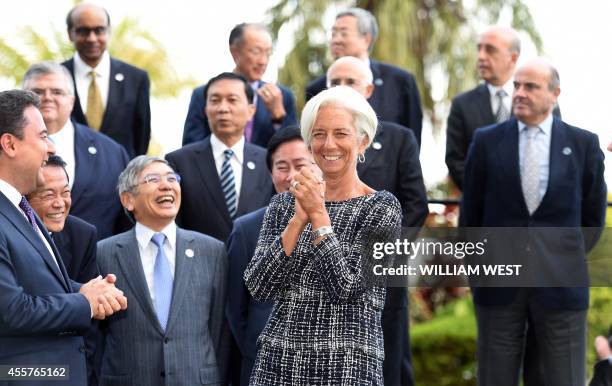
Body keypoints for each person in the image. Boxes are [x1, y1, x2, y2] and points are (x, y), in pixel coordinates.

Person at [461, 59, 607, 386]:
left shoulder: (584, 144)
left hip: (561, 286)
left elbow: (592, 219)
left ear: (554, 94)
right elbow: (470, 216)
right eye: (516, 86)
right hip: (498, 286)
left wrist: (563, 255)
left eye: (531, 87)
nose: (519, 93)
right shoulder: (485, 141)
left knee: (563, 379)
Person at [245, 86, 402, 384]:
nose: (328, 144)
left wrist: (317, 215)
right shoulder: (283, 204)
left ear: (363, 141)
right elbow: (258, 286)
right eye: (318, 134)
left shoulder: (382, 207)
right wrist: (298, 218)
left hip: (349, 366)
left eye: (341, 133)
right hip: (278, 363)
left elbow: (349, 288)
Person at [0, 89, 127, 386]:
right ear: (9, 144)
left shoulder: (19, 209)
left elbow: (34, 280)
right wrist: (85, 303)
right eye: (43, 136)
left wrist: (91, 290)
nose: (50, 148)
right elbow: (11, 310)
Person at [326, 55, 428, 385]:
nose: (341, 89)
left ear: (368, 89)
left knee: (386, 364)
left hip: (382, 273)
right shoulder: (314, 141)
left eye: (350, 82)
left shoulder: (399, 139)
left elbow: (415, 205)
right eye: (334, 82)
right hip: (326, 268)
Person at [96, 155, 230, 386]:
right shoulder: (104, 253)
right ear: (128, 199)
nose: (166, 185)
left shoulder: (212, 251)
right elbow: (95, 336)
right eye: (153, 179)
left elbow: (219, 330)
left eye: (172, 178)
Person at [226, 125, 316, 384]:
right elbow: (235, 307)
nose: (291, 176)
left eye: (301, 165)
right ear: (270, 172)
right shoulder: (247, 229)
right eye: (281, 167)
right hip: (264, 365)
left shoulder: (342, 221)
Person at [23, 61, 129, 240]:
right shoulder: (7, 149)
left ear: (71, 101)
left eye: (57, 92)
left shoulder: (113, 153)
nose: (47, 98)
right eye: (37, 92)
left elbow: (124, 220)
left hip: (96, 262)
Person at [166, 72, 273, 242]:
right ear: (206, 110)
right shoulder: (179, 162)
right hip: (200, 264)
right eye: (215, 101)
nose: (223, 108)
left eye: (232, 100)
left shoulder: (268, 161)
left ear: (251, 111)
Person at [305, 8, 423, 145]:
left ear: (366, 39)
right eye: (333, 34)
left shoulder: (400, 81)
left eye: (343, 33)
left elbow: (413, 141)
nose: (336, 40)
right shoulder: (317, 88)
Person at [182, 23, 296, 147]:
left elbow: (296, 150)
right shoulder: (205, 94)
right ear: (234, 52)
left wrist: (279, 117)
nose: (263, 61)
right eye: (256, 52)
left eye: (268, 53)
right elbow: (190, 149)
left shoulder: (282, 96)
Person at [62, 3, 151, 157]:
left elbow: (141, 136)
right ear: (70, 34)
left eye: (99, 30)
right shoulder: (57, 77)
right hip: (69, 175)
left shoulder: (136, 78)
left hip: (121, 175)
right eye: (83, 31)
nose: (92, 38)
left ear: (108, 32)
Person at [26, 154, 98, 283]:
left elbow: (90, 293)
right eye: (48, 195)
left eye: (66, 193)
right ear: (24, 199)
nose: (60, 203)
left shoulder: (82, 235)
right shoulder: (8, 233)